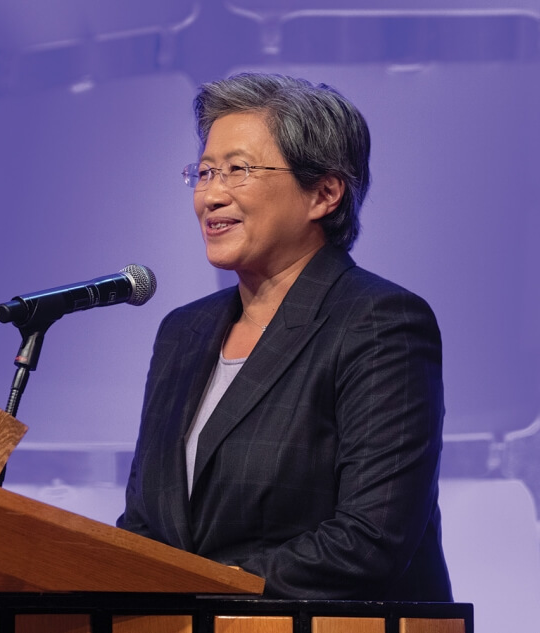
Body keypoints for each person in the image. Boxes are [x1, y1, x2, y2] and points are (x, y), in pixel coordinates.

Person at [117, 72, 452, 601]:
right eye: (204, 173)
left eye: (237, 171)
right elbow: (144, 521)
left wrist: (205, 590)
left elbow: (370, 539)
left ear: (324, 193)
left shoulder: (378, 321)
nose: (211, 196)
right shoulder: (183, 332)